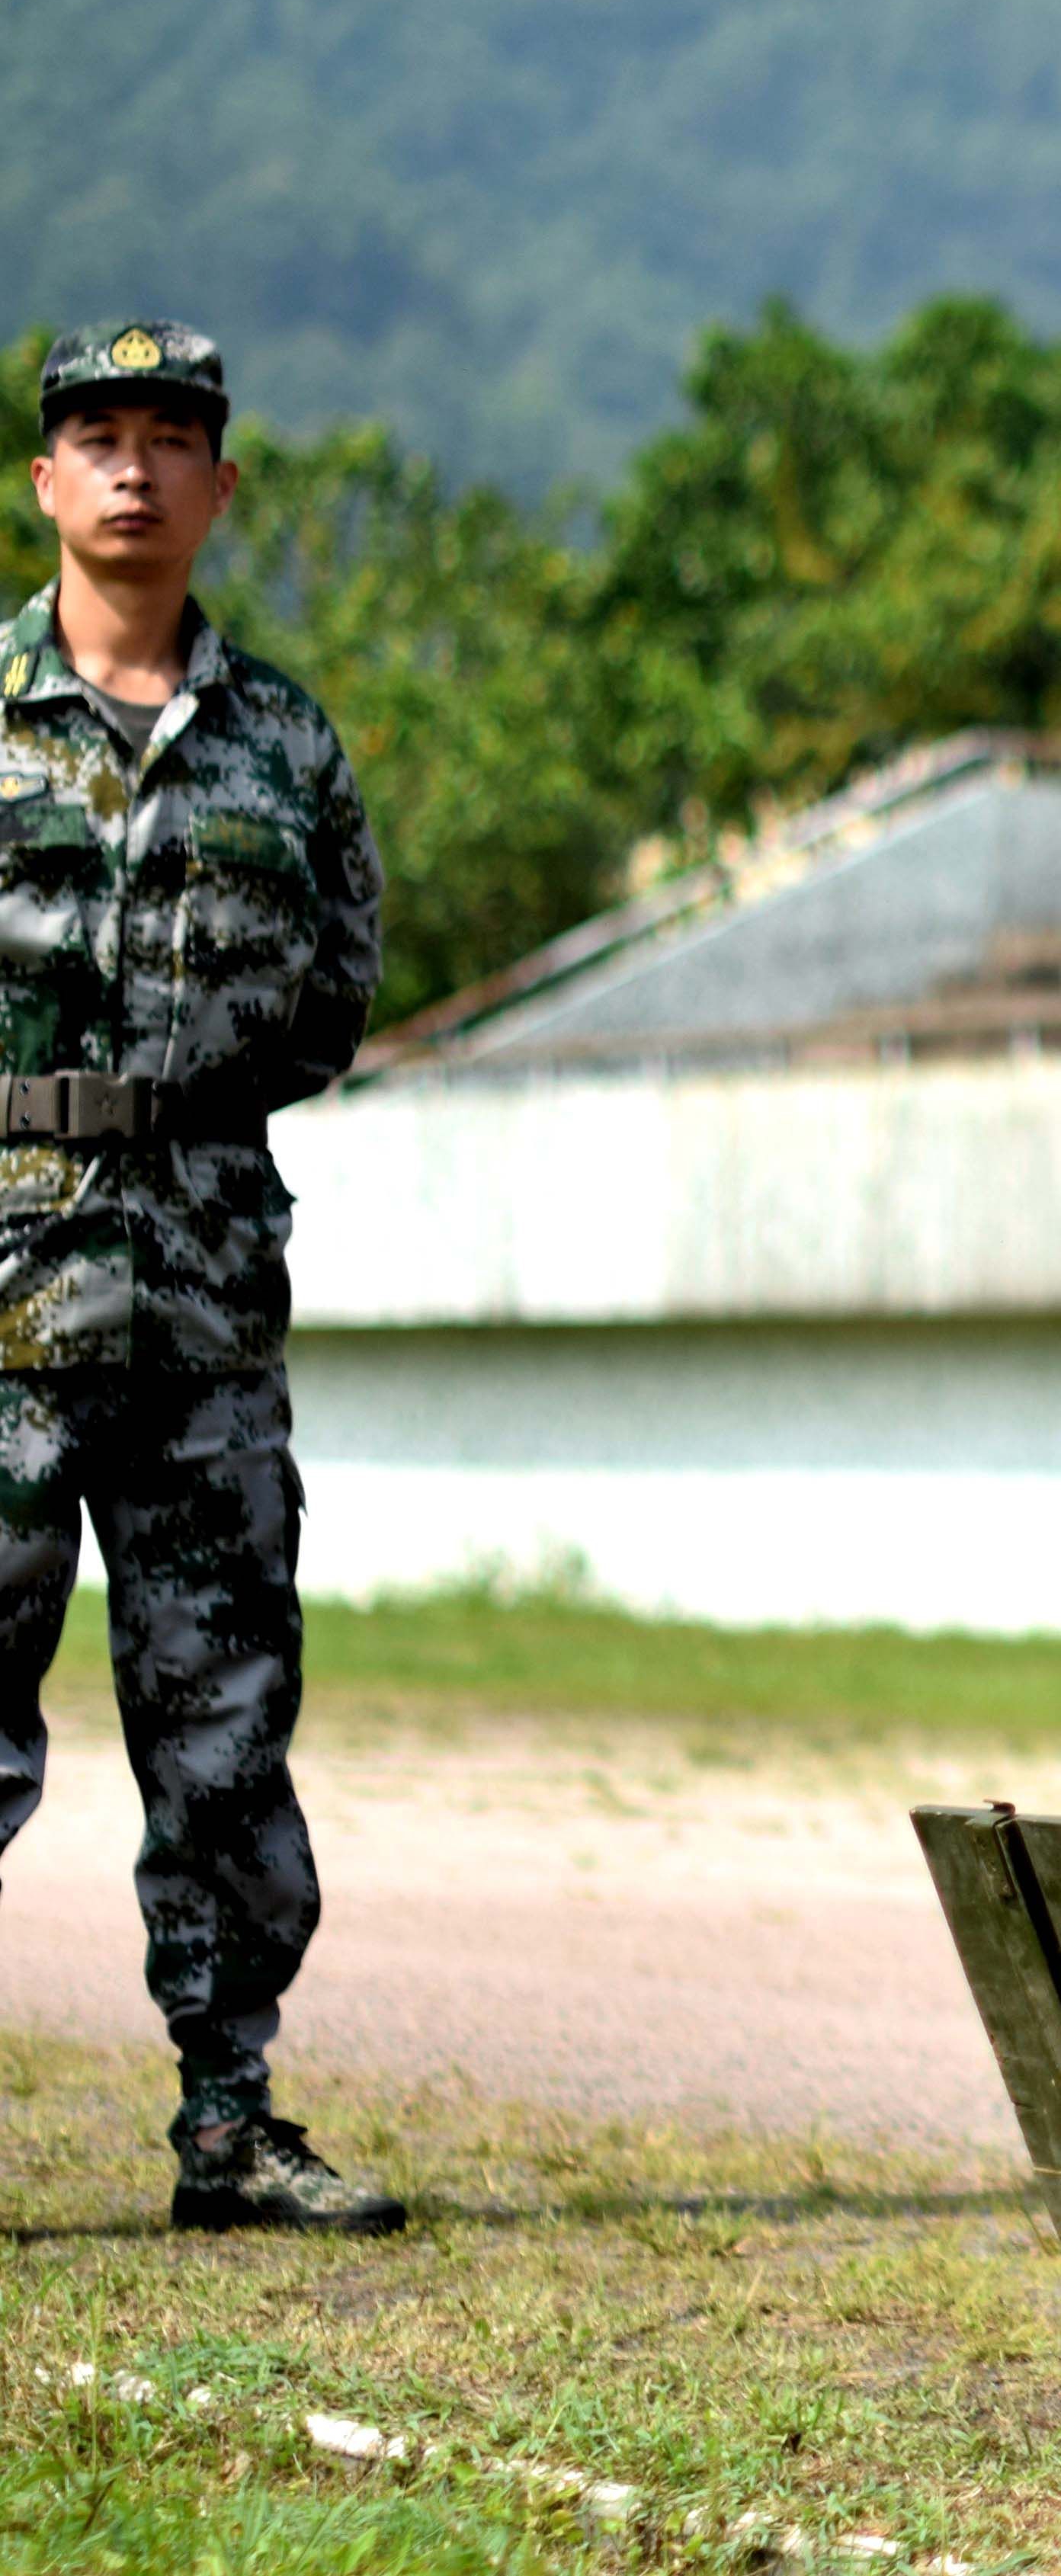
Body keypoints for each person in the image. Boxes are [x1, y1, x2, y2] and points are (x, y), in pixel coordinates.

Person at [0, 322, 397, 2234]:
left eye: (175, 439)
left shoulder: (286, 741)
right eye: (100, 436)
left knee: (227, 1721)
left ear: (223, 488)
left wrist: (177, 1111)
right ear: (46, 482)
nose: (137, 469)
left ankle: (232, 2126)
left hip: (205, 1304)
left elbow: (333, 996)